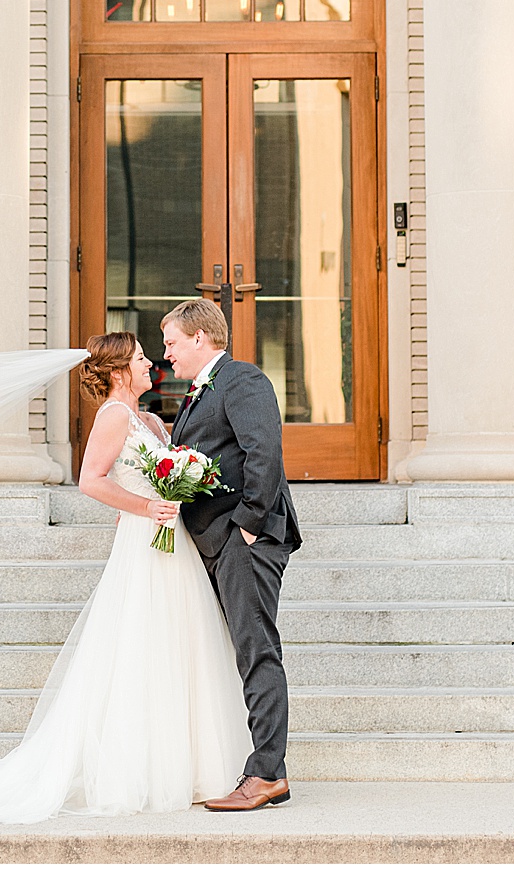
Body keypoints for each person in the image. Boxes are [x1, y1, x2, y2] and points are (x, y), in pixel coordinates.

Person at [0, 331, 251, 823]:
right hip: (144, 544)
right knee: (140, 648)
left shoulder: (154, 420)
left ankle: (192, 766)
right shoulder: (114, 417)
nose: (151, 365)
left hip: (174, 543)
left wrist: (179, 491)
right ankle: (134, 770)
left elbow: (164, 471)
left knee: (181, 647)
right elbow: (90, 479)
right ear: (118, 371)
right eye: (141, 359)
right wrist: (145, 506)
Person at [161, 298, 303, 812]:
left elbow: (264, 453)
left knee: (257, 651)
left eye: (173, 343)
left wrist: (245, 528)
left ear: (201, 338)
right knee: (243, 652)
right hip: (217, 544)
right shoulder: (200, 394)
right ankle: (257, 768)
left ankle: (267, 775)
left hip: (246, 542)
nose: (167, 355)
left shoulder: (243, 380)